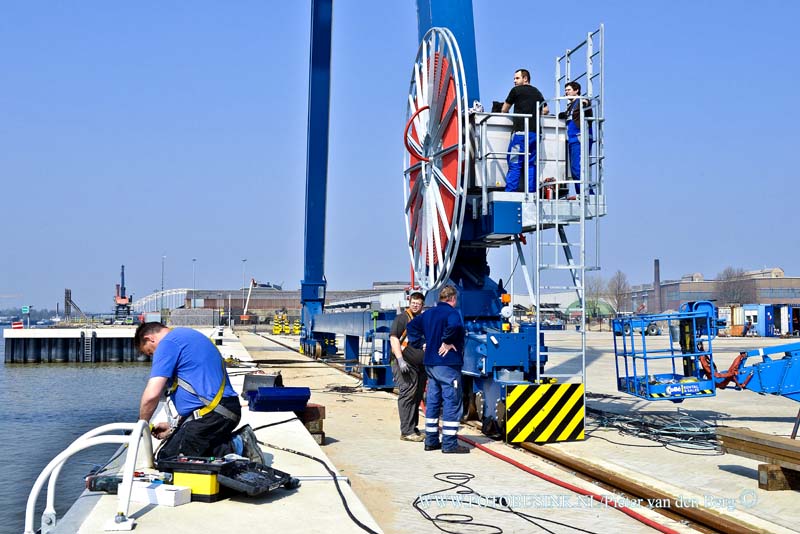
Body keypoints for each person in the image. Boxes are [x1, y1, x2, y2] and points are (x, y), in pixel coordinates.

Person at [136, 322, 242, 460]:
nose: (153, 355)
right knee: (178, 451)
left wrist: (141, 425)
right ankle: (223, 447)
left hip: (215, 413)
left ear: (149, 338)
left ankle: (238, 446)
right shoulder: (185, 335)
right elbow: (199, 391)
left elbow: (152, 394)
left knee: (170, 459)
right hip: (219, 411)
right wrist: (174, 427)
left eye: (150, 351)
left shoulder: (167, 343)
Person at [407, 286, 470, 454]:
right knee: (451, 402)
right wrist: (447, 341)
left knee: (433, 401)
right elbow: (455, 326)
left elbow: (412, 327)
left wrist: (420, 344)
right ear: (453, 299)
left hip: (431, 365)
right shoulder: (452, 313)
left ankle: (431, 440)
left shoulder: (428, 313)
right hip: (447, 364)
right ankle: (449, 444)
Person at [502, 69, 549, 193]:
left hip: (521, 133)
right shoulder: (536, 92)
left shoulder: (516, 91)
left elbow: (504, 109)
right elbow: (546, 110)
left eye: (517, 78)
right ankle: (532, 191)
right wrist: (532, 112)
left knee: (514, 162)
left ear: (525, 78)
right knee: (531, 163)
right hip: (535, 133)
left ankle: (510, 192)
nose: (514, 81)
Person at [389, 291, 427, 442]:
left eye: (418, 304)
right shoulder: (402, 319)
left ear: (422, 305)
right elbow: (394, 339)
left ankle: (413, 427)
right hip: (404, 363)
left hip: (419, 366)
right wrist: (400, 360)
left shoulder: (422, 320)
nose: (415, 306)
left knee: (417, 396)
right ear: (409, 303)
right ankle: (406, 431)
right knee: (407, 394)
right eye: (413, 303)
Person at [557, 81, 594, 198]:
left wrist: (585, 101)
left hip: (579, 137)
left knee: (578, 168)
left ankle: (588, 194)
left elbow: (587, 103)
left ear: (576, 90)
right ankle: (581, 193)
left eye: (568, 90)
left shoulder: (580, 101)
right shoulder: (571, 106)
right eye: (566, 90)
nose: (566, 92)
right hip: (572, 139)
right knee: (574, 170)